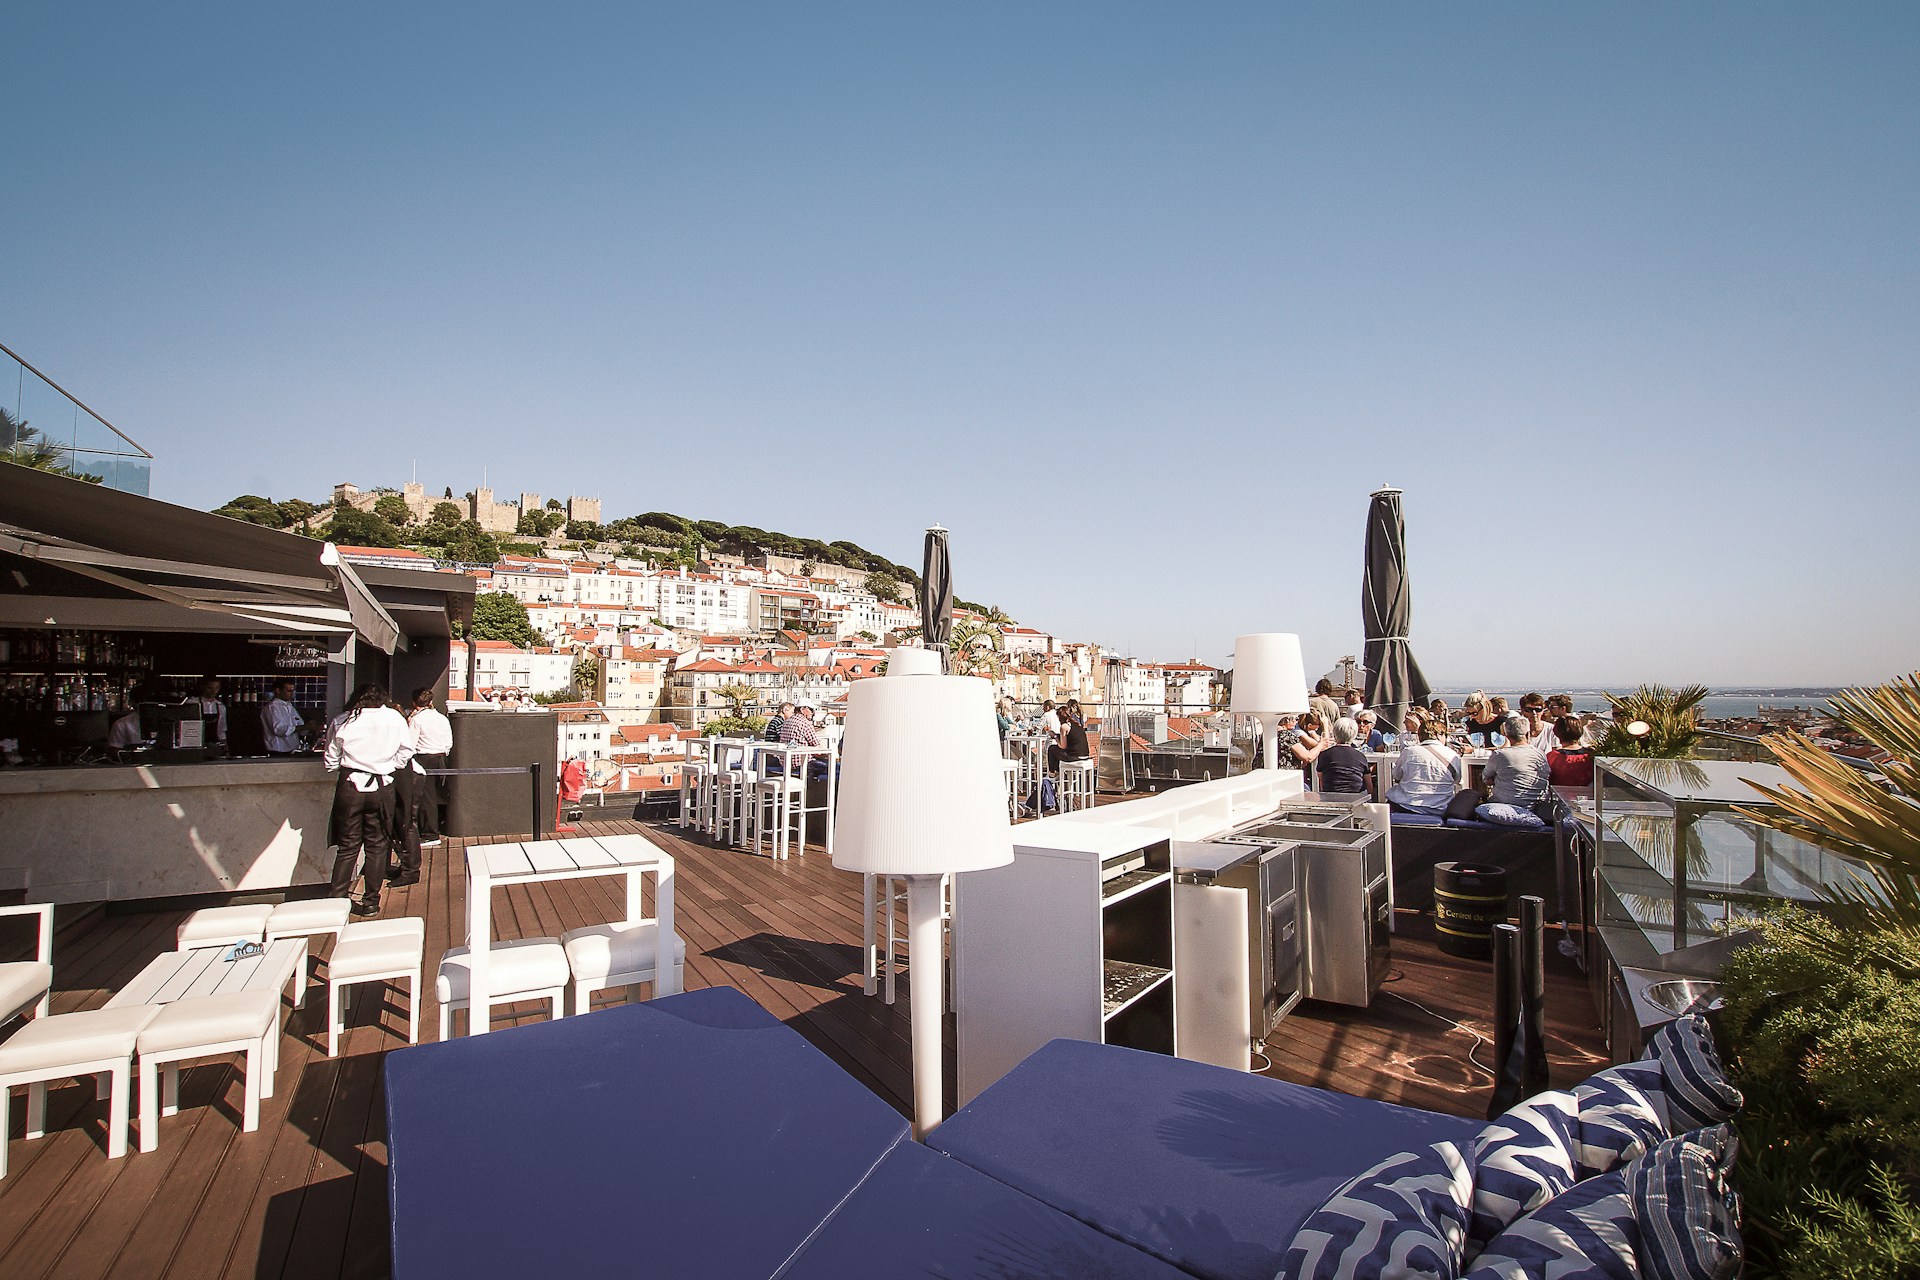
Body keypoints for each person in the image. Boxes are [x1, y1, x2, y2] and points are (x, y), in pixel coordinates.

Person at [323, 683, 415, 916]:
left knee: (348, 846)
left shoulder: (344, 720)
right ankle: (371, 901)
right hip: (382, 785)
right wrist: (389, 766)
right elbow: (406, 751)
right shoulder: (394, 719)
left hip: (351, 785)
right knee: (377, 845)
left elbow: (330, 760)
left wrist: (347, 766)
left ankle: (337, 899)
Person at [1388, 715, 1463, 815]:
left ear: (1419, 736)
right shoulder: (1453, 755)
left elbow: (1396, 775)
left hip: (1407, 805)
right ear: (1440, 735)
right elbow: (1457, 780)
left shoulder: (1409, 751)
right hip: (1440, 807)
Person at [406, 687, 452, 849]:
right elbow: (448, 742)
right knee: (438, 795)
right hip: (441, 758)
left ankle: (430, 834)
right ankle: (436, 827)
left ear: (414, 703)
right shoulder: (442, 718)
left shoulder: (416, 720)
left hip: (423, 759)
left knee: (426, 798)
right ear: (430, 701)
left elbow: (410, 744)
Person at [1482, 712, 1551, 817]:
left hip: (1502, 808)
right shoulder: (1539, 754)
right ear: (1527, 734)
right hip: (1535, 808)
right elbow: (1545, 775)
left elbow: (1486, 778)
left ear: (1506, 735)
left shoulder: (1500, 755)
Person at [1315, 719, 1371, 795]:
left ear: (1334, 733)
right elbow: (1369, 787)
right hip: (1356, 796)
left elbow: (1321, 782)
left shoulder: (1325, 755)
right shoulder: (1360, 756)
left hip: (1330, 796)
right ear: (1354, 735)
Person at [1546, 715, 1596, 788]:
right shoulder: (1591, 755)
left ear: (1557, 733)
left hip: (1559, 793)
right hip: (1587, 794)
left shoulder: (1552, 757)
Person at [261, 678, 306, 755]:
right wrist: (303, 727)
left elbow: (300, 724)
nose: (292, 694)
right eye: (289, 691)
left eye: (292, 691)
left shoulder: (290, 706)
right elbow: (278, 730)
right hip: (277, 752)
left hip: (292, 750)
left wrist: (308, 728)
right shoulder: (272, 707)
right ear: (278, 690)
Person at [1047, 703, 1090, 771]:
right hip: (1085, 755)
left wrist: (1055, 736)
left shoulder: (1064, 726)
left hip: (1075, 757)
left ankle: (1053, 772)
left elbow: (1063, 746)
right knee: (1057, 751)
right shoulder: (1077, 725)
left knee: (1052, 749)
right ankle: (1057, 772)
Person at [195, 677, 228, 747]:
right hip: (196, 744)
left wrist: (225, 747)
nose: (214, 691)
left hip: (214, 745)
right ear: (203, 687)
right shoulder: (193, 703)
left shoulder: (220, 706)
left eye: (216, 688)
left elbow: (221, 730)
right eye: (210, 688)